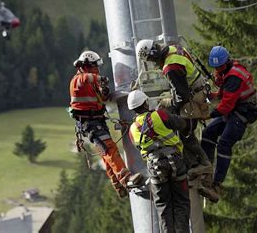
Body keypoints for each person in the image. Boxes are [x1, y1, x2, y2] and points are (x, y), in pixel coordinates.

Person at [135, 40, 216, 199]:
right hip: (198, 91)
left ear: (152, 55)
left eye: (151, 60)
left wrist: (170, 104)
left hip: (193, 99)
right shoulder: (174, 49)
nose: (153, 64)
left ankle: (203, 166)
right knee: (184, 129)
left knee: (185, 131)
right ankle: (194, 165)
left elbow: (182, 95)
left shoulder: (170, 67)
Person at [69, 50, 142, 198]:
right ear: (87, 66)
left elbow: (103, 97)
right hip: (90, 124)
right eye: (96, 66)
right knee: (109, 149)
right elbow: (85, 79)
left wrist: (104, 90)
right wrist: (99, 79)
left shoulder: (92, 82)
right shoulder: (78, 80)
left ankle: (118, 186)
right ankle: (127, 179)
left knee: (106, 155)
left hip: (97, 121)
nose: (98, 69)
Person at [201, 46, 257, 202]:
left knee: (224, 144)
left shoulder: (234, 77)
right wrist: (211, 95)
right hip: (235, 109)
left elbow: (226, 105)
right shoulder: (227, 71)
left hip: (243, 112)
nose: (217, 70)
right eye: (215, 67)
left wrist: (207, 115)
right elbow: (223, 94)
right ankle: (206, 171)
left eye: (219, 67)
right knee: (208, 134)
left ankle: (217, 184)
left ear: (226, 62)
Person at [127, 90, 190, 233]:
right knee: (181, 202)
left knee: (163, 205)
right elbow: (181, 124)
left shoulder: (132, 130)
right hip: (175, 162)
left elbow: (139, 147)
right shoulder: (159, 115)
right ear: (145, 103)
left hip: (155, 167)